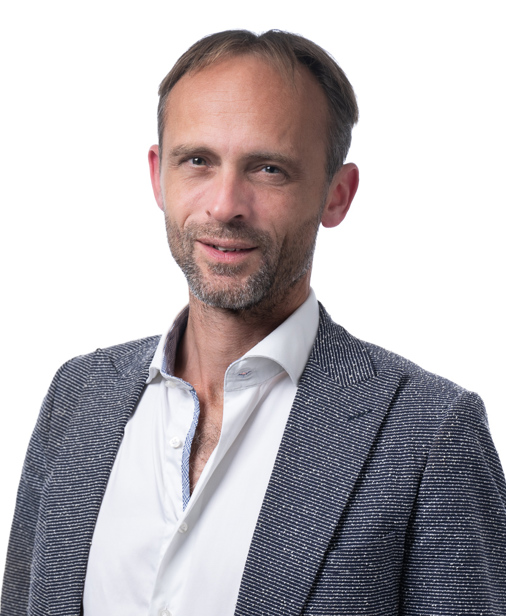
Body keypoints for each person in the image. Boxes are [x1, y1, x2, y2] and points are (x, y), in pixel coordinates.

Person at [2, 29, 505, 616]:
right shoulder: (78, 396)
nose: (224, 205)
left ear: (337, 195)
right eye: (197, 161)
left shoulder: (431, 434)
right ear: (158, 175)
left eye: (268, 169)